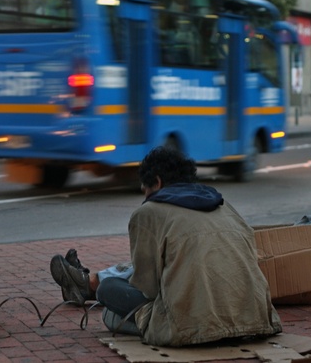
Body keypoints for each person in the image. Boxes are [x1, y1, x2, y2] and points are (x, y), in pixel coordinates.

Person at [51, 146, 282, 347]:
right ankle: (87, 283)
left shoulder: (148, 213)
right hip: (256, 320)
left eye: (145, 189)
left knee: (108, 296)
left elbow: (147, 288)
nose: (145, 196)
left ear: (157, 182)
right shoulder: (225, 206)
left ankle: (90, 285)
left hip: (190, 329)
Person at [51, 170, 311, 308]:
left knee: (168, 264)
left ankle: (90, 284)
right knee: (154, 260)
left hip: (250, 267)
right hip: (250, 254)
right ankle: (89, 281)